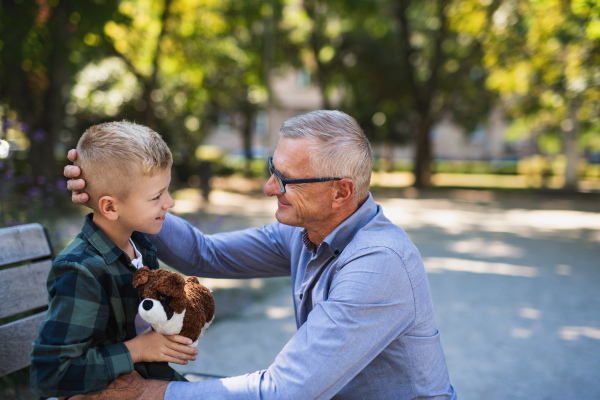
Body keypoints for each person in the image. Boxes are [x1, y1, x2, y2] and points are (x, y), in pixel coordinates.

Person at [65, 110, 456, 399]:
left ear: (341, 192)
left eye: (286, 179)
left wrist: (148, 393)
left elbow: (283, 390)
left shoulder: (378, 263)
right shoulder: (307, 232)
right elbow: (206, 254)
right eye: (273, 168)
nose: (270, 187)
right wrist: (128, 200)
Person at [31, 121, 198, 398]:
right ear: (109, 206)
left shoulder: (140, 246)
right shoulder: (82, 271)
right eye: (156, 196)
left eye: (166, 190)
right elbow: (51, 374)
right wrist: (138, 350)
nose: (169, 203)